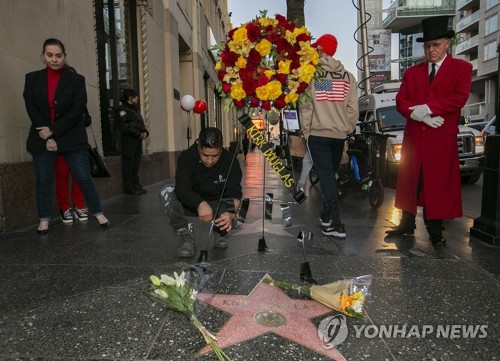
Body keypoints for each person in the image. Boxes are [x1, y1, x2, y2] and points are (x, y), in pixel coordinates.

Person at [386, 16, 472, 247]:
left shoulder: (462, 68)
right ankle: (406, 224)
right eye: (427, 46)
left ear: (447, 44)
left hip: (440, 139)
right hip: (415, 137)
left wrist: (429, 108)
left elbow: (459, 97)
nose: (431, 50)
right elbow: (401, 100)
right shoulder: (413, 72)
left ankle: (435, 231)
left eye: (436, 45)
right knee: (410, 182)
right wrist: (418, 114)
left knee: (437, 185)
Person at [23, 38, 109, 234]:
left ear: (64, 56)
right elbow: (32, 107)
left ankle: (97, 212)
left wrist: (53, 131)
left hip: (71, 136)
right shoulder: (32, 79)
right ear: (43, 56)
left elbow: (77, 110)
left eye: (59, 55)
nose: (54, 59)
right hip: (41, 136)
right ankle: (43, 219)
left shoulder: (76, 80)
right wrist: (46, 133)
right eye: (50, 55)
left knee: (83, 177)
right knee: (44, 180)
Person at [299, 34, 358, 239]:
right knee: (329, 176)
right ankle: (326, 214)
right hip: (338, 135)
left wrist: (306, 131)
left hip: (318, 134)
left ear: (321, 50)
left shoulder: (314, 76)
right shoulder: (348, 77)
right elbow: (352, 109)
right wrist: (346, 129)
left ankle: (336, 223)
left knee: (325, 177)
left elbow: (307, 105)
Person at [160, 127, 243, 258]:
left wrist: (231, 213)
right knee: (166, 191)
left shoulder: (230, 160)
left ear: (221, 149)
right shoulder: (186, 157)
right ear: (198, 147)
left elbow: (235, 191)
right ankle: (185, 236)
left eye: (215, 156)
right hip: (192, 203)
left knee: (236, 204)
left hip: (217, 202)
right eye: (205, 155)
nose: (209, 161)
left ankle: (220, 231)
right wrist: (199, 203)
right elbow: (182, 188)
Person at [116, 89, 149, 195]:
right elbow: (125, 126)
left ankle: (135, 185)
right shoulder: (122, 109)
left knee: (135, 164)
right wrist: (138, 133)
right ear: (130, 98)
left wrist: (144, 132)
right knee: (129, 164)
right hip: (128, 141)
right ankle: (129, 187)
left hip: (137, 141)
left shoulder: (135, 109)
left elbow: (139, 123)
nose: (137, 98)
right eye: (135, 96)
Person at [56, 154, 88, 222]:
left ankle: (79, 205)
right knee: (62, 174)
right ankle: (64, 207)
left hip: (75, 146)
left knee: (79, 174)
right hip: (61, 146)